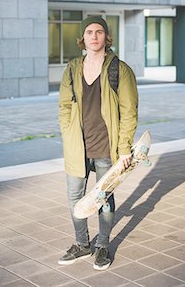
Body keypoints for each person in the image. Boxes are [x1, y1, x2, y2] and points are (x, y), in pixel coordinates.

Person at [58, 16, 138, 270]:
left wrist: (125, 147)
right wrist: (67, 131)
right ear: (83, 38)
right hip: (77, 146)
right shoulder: (72, 68)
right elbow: (63, 107)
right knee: (75, 198)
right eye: (89, 32)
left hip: (107, 145)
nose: (94, 36)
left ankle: (102, 245)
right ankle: (82, 244)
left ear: (106, 37)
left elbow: (129, 111)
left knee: (104, 198)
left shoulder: (119, 69)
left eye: (99, 31)